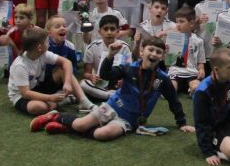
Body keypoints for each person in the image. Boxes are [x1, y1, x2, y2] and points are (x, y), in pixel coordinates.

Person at [30, 36, 195, 139]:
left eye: (158, 52)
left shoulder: (163, 79)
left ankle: (67, 128)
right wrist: (109, 56)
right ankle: (57, 117)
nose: (153, 54)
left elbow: (173, 100)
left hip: (129, 120)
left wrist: (181, 123)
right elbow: (105, 74)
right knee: (80, 125)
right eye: (150, 50)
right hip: (113, 106)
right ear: (142, 51)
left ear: (162, 56)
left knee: (102, 134)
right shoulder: (128, 68)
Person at [8, 27, 94, 116]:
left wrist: (67, 83)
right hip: (21, 96)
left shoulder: (43, 54)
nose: (48, 43)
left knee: (61, 70)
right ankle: (64, 100)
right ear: (39, 47)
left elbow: (67, 62)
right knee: (37, 107)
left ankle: (85, 102)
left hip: (37, 85)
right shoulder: (20, 65)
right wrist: (51, 98)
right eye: (46, 41)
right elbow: (26, 93)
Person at [81, 14, 132, 101]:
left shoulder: (124, 47)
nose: (109, 32)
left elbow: (129, 72)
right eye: (105, 29)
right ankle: (111, 97)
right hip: (99, 83)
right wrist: (92, 77)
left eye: (112, 29)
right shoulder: (92, 47)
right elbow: (86, 73)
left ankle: (102, 96)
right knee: (83, 83)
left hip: (117, 86)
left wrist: (123, 81)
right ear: (99, 32)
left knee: (130, 86)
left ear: (118, 31)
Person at [168, 7, 206, 95]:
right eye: (177, 22)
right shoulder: (172, 38)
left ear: (191, 23)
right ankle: (176, 88)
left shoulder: (199, 41)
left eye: (181, 21)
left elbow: (200, 61)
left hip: (192, 74)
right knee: (170, 89)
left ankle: (190, 89)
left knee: (197, 88)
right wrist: (166, 53)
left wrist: (202, 70)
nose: (178, 24)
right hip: (175, 72)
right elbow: (168, 62)